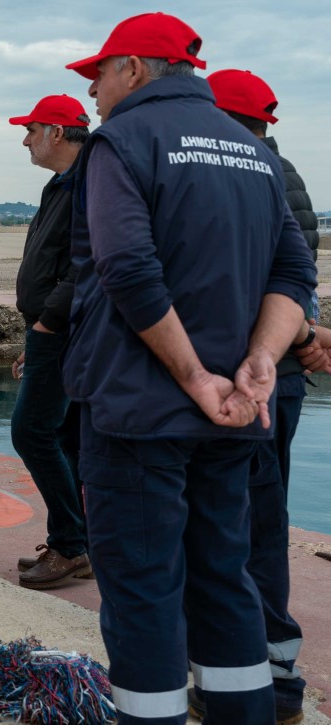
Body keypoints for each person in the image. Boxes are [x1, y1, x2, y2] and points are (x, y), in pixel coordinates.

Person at [64, 13, 316, 724]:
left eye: (99, 73)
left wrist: (193, 376)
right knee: (224, 578)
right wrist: (258, 364)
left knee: (143, 586)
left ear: (136, 70)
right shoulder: (253, 151)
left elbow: (129, 267)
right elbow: (295, 271)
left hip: (141, 412)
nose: (93, 92)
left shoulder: (124, 139)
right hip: (236, 414)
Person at [183, 68, 318, 723]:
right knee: (255, 521)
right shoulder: (282, 171)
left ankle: (264, 675)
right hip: (276, 375)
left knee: (242, 524)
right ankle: (270, 670)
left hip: (250, 381)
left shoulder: (241, 172)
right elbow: (298, 277)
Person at [4, 95, 92, 588]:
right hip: (51, 328)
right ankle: (80, 539)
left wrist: (48, 324)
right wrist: (34, 328)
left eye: (31, 129)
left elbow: (86, 260)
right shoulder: (59, 184)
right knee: (63, 436)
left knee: (31, 431)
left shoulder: (88, 182)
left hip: (64, 330)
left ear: (57, 132)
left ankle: (70, 545)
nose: (25, 139)